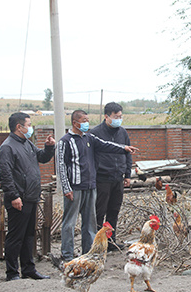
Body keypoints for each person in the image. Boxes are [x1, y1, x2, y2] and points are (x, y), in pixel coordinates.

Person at [57, 110, 139, 261]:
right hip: (75, 188)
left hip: (90, 186)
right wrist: (66, 187)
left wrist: (124, 148)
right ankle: (67, 255)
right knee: (70, 222)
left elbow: (106, 145)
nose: (87, 123)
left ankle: (89, 253)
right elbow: (61, 166)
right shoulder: (65, 141)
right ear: (75, 123)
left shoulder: (89, 138)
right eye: (84, 120)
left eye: (87, 119)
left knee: (90, 223)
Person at [0, 112, 55, 281]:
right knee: (16, 236)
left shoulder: (27, 144)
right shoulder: (7, 147)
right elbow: (6, 175)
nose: (30, 128)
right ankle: (12, 272)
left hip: (31, 197)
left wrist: (49, 147)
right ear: (19, 127)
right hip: (18, 199)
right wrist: (14, 195)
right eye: (28, 125)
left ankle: (28, 269)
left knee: (29, 234)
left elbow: (42, 158)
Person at [90, 102, 132, 251]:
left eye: (120, 116)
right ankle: (98, 242)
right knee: (99, 211)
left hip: (118, 178)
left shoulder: (122, 132)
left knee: (114, 210)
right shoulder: (95, 133)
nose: (119, 119)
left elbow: (128, 154)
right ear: (107, 116)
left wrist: (127, 174)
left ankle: (111, 241)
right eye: (116, 117)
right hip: (102, 178)